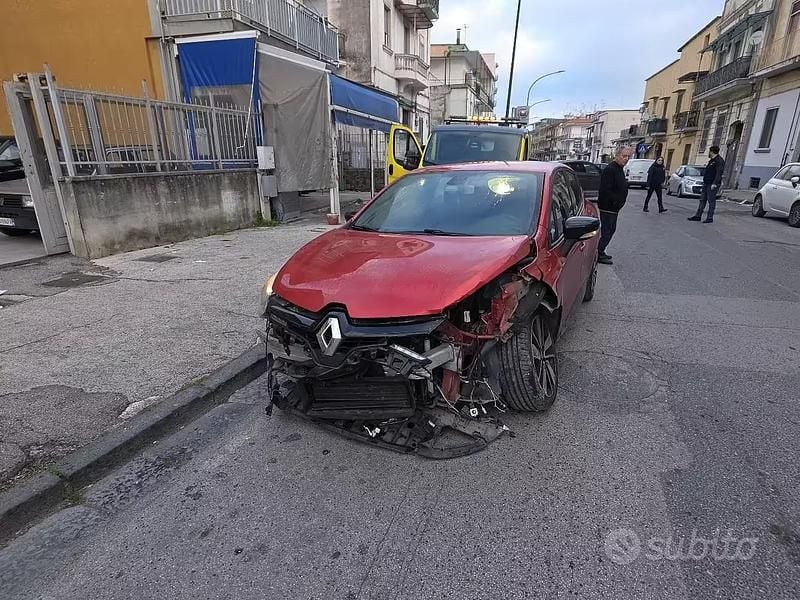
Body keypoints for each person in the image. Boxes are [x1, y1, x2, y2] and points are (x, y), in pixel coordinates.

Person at [597, 147, 632, 265]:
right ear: (617, 156)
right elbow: (605, 189)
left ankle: (600, 251)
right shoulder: (610, 169)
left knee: (609, 230)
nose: (626, 159)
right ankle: (598, 253)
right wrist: (615, 202)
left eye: (628, 156)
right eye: (624, 156)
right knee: (608, 230)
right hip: (608, 207)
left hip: (613, 208)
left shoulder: (619, 169)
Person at [688, 145, 725, 223]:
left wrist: (715, 183)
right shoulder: (711, 160)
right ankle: (698, 216)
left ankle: (710, 217)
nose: (709, 152)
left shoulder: (719, 161)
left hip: (712, 184)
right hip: (706, 182)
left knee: (711, 201)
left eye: (709, 151)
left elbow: (719, 173)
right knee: (702, 199)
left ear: (712, 152)